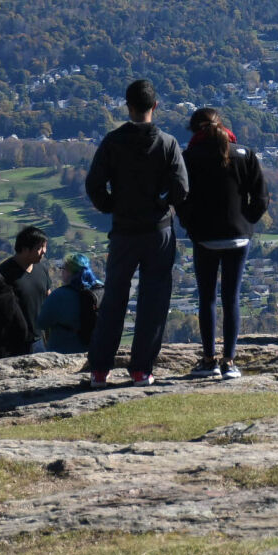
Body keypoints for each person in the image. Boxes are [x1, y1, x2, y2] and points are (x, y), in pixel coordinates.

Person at [83, 78, 189, 389]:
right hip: (158, 231)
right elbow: (182, 188)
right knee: (154, 299)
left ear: (128, 106)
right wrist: (164, 203)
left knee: (114, 297)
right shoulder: (168, 143)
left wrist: (111, 205)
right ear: (155, 106)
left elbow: (94, 186)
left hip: (124, 231)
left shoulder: (112, 142)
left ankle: (100, 370)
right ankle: (141, 369)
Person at [177, 106, 268, 379]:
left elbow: (180, 197)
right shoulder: (245, 154)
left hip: (205, 237)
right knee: (232, 298)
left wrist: (191, 225)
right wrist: (247, 221)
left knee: (207, 298)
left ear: (195, 131)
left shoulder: (189, 157)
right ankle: (229, 361)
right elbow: (261, 198)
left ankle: (209, 360)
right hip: (239, 236)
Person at [36, 252, 103, 355]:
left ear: (69, 272)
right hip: (96, 349)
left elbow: (42, 323)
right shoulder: (101, 290)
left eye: (63, 269)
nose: (61, 272)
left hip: (64, 351)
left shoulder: (59, 295)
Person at [0, 225, 50, 349]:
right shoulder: (4, 273)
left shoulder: (41, 269)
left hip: (39, 339)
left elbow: (48, 297)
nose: (44, 251)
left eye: (44, 247)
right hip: (13, 343)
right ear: (25, 249)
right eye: (39, 248)